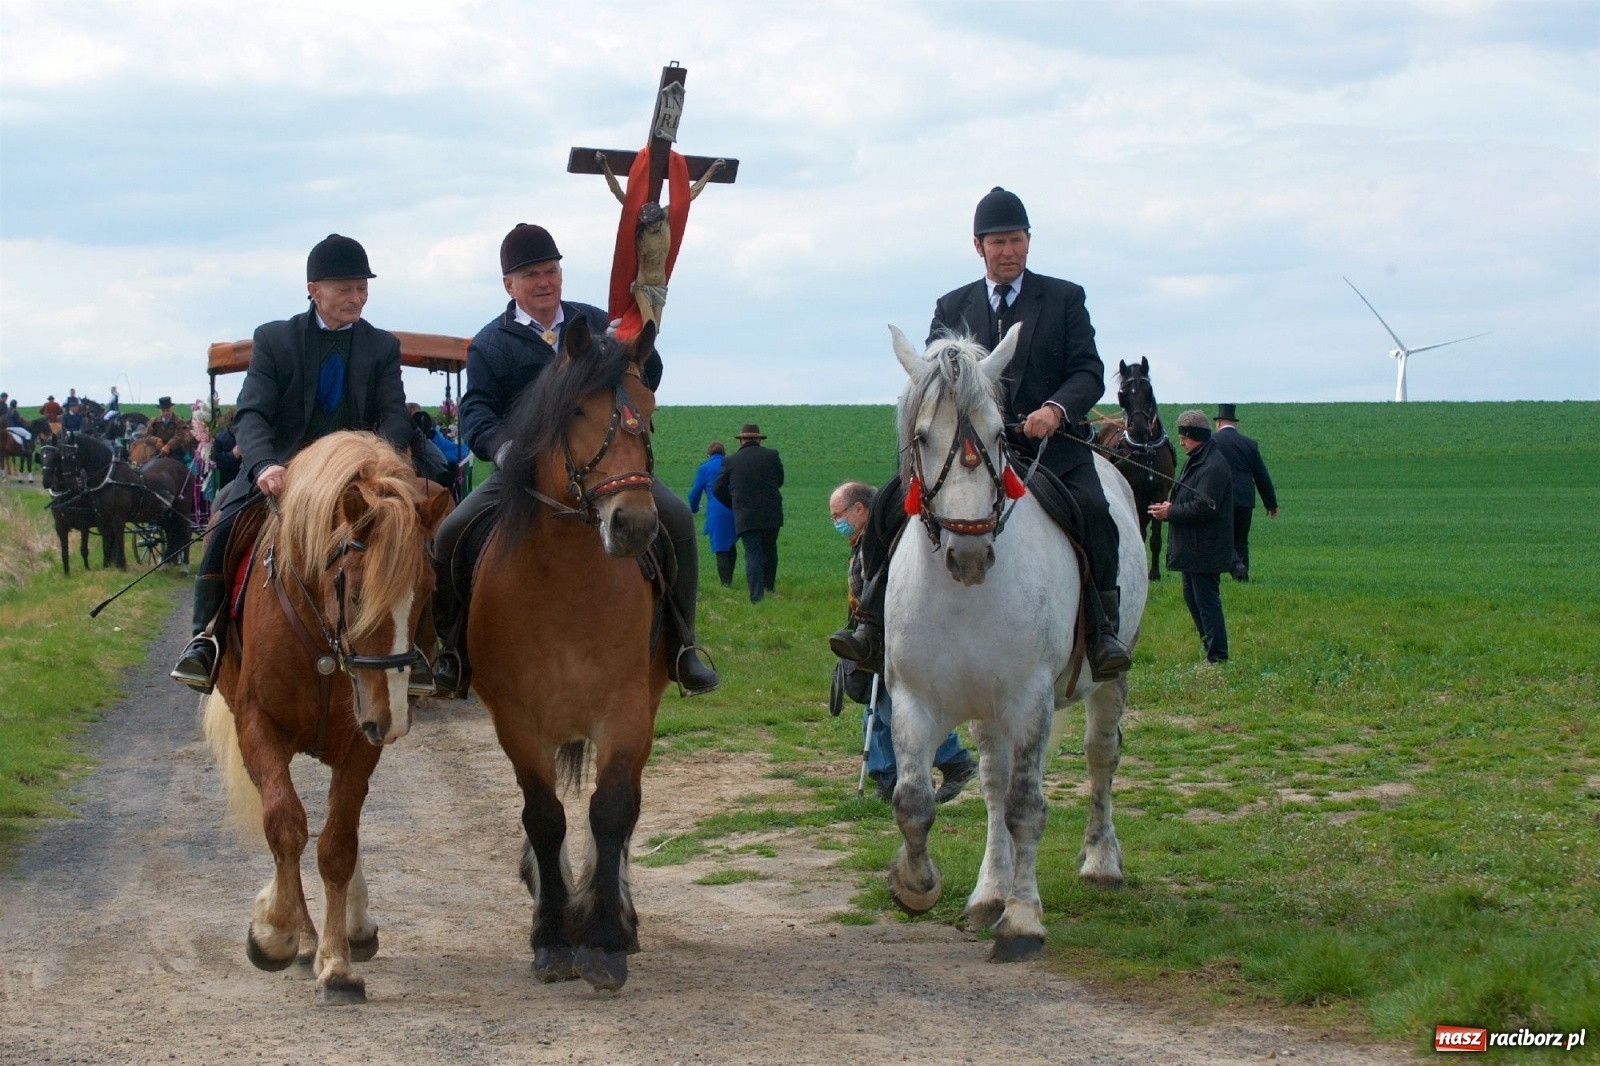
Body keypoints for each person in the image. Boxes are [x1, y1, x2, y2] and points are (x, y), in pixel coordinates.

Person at [831, 186, 1133, 681]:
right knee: (887, 506)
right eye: (998, 243)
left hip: (1046, 448)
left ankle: (1102, 633)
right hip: (964, 450)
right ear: (979, 247)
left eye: (1016, 240)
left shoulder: (1064, 298)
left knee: (1096, 513)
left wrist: (1056, 409)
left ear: (1029, 241)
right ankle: (867, 626)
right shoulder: (952, 305)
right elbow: (929, 376)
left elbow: (1088, 372)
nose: (1008, 251)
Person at [429, 222, 719, 698]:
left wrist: (641, 331)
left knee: (677, 518)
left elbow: (649, 374)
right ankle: (455, 649)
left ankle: (682, 647)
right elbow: (477, 410)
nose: (544, 282)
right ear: (509, 285)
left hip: (602, 466)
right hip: (525, 472)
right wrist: (503, 450)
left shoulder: (598, 321)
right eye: (531, 275)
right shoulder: (491, 343)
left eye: (551, 271)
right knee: (451, 534)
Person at [171, 233, 412, 691]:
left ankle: (417, 644)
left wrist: (383, 466)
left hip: (356, 478)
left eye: (362, 287)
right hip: (283, 473)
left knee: (415, 524)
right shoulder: (275, 339)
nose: (357, 297)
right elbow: (253, 412)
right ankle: (205, 639)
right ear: (313, 289)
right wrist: (262, 465)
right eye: (345, 288)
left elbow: (394, 417)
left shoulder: (381, 346)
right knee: (225, 519)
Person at [831, 481, 976, 804]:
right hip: (872, 635)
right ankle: (888, 777)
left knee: (892, 708)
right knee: (879, 709)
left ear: (860, 509)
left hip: (891, 635)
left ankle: (954, 762)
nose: (835, 522)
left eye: (838, 514)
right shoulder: (862, 543)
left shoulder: (884, 543)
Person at [1148, 410, 1233, 665]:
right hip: (1193, 548)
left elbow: (1205, 506)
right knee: (1193, 598)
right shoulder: (1197, 459)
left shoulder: (1213, 465)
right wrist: (1170, 505)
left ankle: (1217, 657)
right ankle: (1210, 650)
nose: (1181, 442)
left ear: (1196, 436)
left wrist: (1170, 511)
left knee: (1206, 602)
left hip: (1204, 548)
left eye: (1185, 437)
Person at [712, 424, 784, 604]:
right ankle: (769, 588)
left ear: (741, 440)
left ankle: (756, 597)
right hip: (771, 512)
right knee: (770, 549)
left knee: (752, 553)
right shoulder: (772, 455)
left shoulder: (731, 460)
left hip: (745, 515)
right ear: (759, 439)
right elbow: (780, 480)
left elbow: (717, 488)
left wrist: (733, 504)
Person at [1211, 404, 1278, 581]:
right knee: (1241, 539)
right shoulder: (1250, 444)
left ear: (1218, 423)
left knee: (1222, 536)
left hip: (1222, 497)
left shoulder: (1212, 443)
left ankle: (1236, 566)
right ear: (1236, 424)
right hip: (1246, 498)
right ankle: (1242, 577)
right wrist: (1271, 503)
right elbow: (1262, 475)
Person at [687, 441, 737, 586]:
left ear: (708, 454)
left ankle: (726, 584)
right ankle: (730, 579)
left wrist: (694, 508)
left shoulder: (705, 468)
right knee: (731, 543)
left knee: (721, 548)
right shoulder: (732, 464)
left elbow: (694, 494)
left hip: (717, 510)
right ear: (724, 453)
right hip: (736, 508)